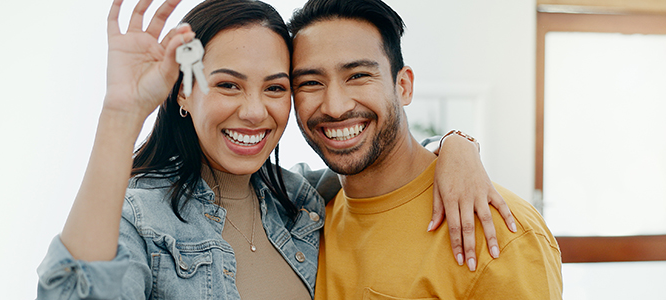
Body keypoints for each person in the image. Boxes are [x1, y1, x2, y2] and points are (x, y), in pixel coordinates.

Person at [36, 0, 515, 299]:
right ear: (182, 92)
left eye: (275, 87)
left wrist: (455, 147)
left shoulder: (300, 199)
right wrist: (121, 115)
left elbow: (380, 161)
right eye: (227, 84)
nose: (253, 111)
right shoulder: (140, 215)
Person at [287, 0, 564, 298]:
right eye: (310, 82)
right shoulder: (303, 216)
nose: (335, 107)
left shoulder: (499, 230)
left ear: (403, 86)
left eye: (358, 76)